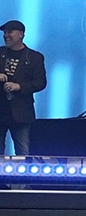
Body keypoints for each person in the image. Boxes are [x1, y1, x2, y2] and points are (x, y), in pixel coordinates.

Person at [0, 20, 46, 156]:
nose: (6, 35)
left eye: (10, 32)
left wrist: (19, 86)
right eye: (4, 32)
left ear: (21, 34)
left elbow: (41, 82)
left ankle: (24, 177)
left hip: (21, 112)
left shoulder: (34, 57)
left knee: (23, 151)